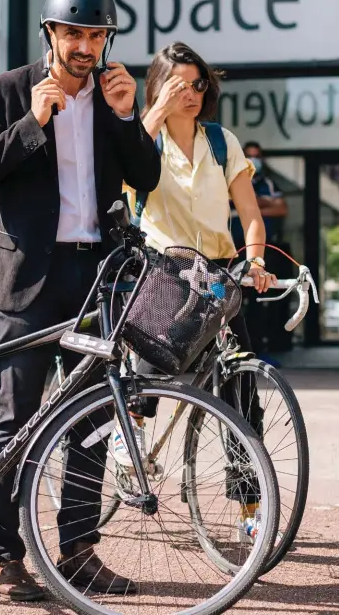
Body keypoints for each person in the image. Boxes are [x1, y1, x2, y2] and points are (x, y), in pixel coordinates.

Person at [0, 0, 160, 601]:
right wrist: (31, 122)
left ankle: (76, 552)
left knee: (94, 416)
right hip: (25, 278)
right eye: (73, 33)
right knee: (16, 418)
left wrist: (129, 118)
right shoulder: (6, 91)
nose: (85, 47)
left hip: (93, 277)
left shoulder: (110, 96)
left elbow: (147, 177)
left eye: (95, 35)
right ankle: (5, 556)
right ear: (51, 34)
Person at [121, 41, 276, 540]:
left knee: (241, 395)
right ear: (160, 86)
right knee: (155, 366)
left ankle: (250, 510)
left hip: (221, 276)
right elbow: (126, 168)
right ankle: (132, 436)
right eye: (178, 84)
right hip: (166, 270)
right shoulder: (145, 138)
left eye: (198, 84)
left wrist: (255, 261)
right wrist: (156, 111)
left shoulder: (220, 140)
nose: (191, 93)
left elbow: (250, 216)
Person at [231, 141, 290, 363]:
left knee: (261, 301)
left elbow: (281, 208)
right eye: (249, 155)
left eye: (257, 156)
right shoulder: (230, 178)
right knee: (234, 302)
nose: (253, 160)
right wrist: (263, 203)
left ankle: (259, 352)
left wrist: (255, 202)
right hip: (233, 251)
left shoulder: (268, 183)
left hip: (261, 253)